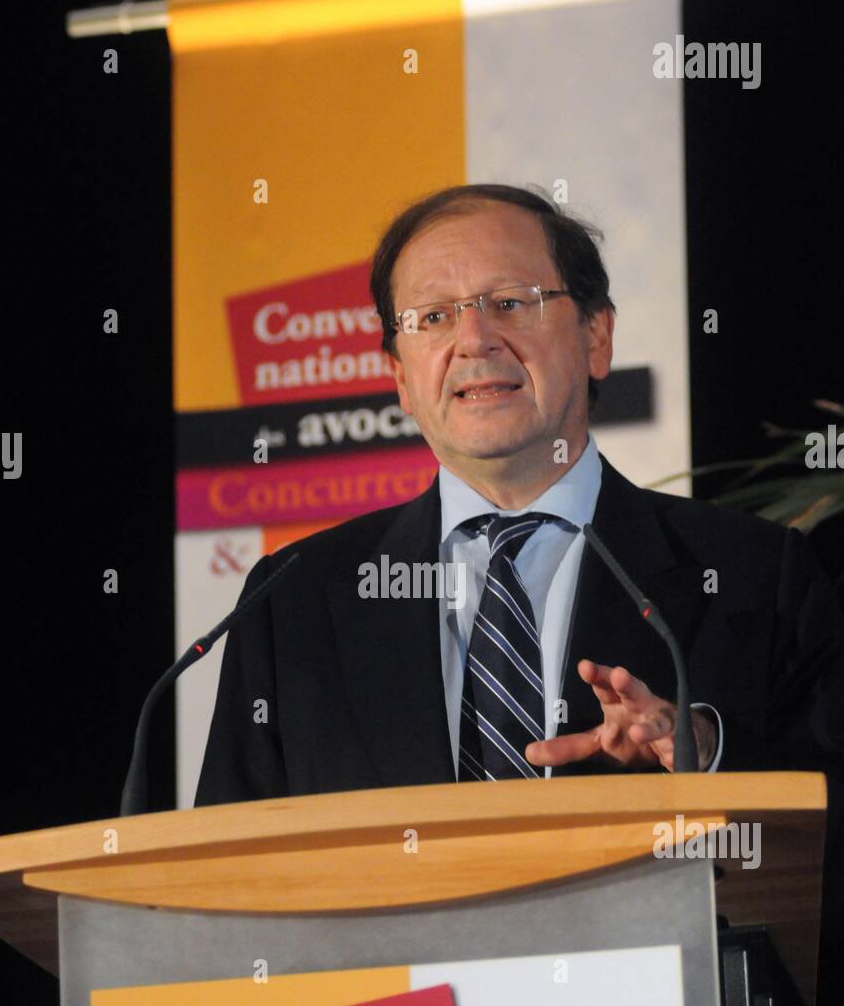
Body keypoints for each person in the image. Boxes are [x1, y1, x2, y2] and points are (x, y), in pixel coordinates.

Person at [195, 183, 843, 805]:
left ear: (595, 337)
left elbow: (824, 833)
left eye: (509, 302)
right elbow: (229, 871)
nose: (474, 341)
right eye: (433, 317)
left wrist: (706, 751)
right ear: (398, 376)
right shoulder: (292, 602)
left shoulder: (757, 575)